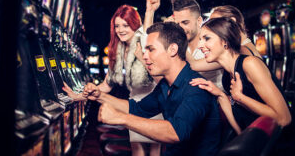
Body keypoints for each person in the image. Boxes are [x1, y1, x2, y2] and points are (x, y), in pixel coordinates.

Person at [84, 22, 221, 156]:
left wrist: (120, 118)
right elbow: (137, 109)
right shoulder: (165, 85)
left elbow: (176, 132)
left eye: (151, 49)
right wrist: (100, 96)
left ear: (172, 50)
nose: (144, 56)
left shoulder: (196, 87)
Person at [64, 0, 163, 156]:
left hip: (153, 101)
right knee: (137, 149)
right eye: (117, 26)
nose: (121, 30)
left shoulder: (142, 42)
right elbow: (106, 85)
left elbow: (147, 34)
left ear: (134, 25)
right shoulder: (118, 49)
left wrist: (150, 11)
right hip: (134, 103)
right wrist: (78, 96)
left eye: (125, 25)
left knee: (154, 151)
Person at [190, 17, 291, 134]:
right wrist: (221, 95)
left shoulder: (250, 64)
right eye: (200, 40)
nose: (199, 46)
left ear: (225, 41)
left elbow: (284, 118)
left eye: (207, 38)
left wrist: (240, 97)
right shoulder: (227, 76)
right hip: (256, 144)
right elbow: (241, 131)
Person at [164, 0, 223, 90]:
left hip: (218, 101)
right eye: (177, 24)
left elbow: (193, 65)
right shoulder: (180, 47)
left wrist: (175, 38)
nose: (180, 28)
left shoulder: (214, 41)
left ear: (199, 21)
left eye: (185, 23)